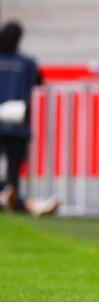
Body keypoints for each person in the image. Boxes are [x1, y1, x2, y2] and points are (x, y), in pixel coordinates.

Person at [0, 22, 59, 217]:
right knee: (14, 172)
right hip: (17, 125)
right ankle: (17, 201)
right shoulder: (26, 63)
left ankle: (11, 199)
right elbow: (38, 82)